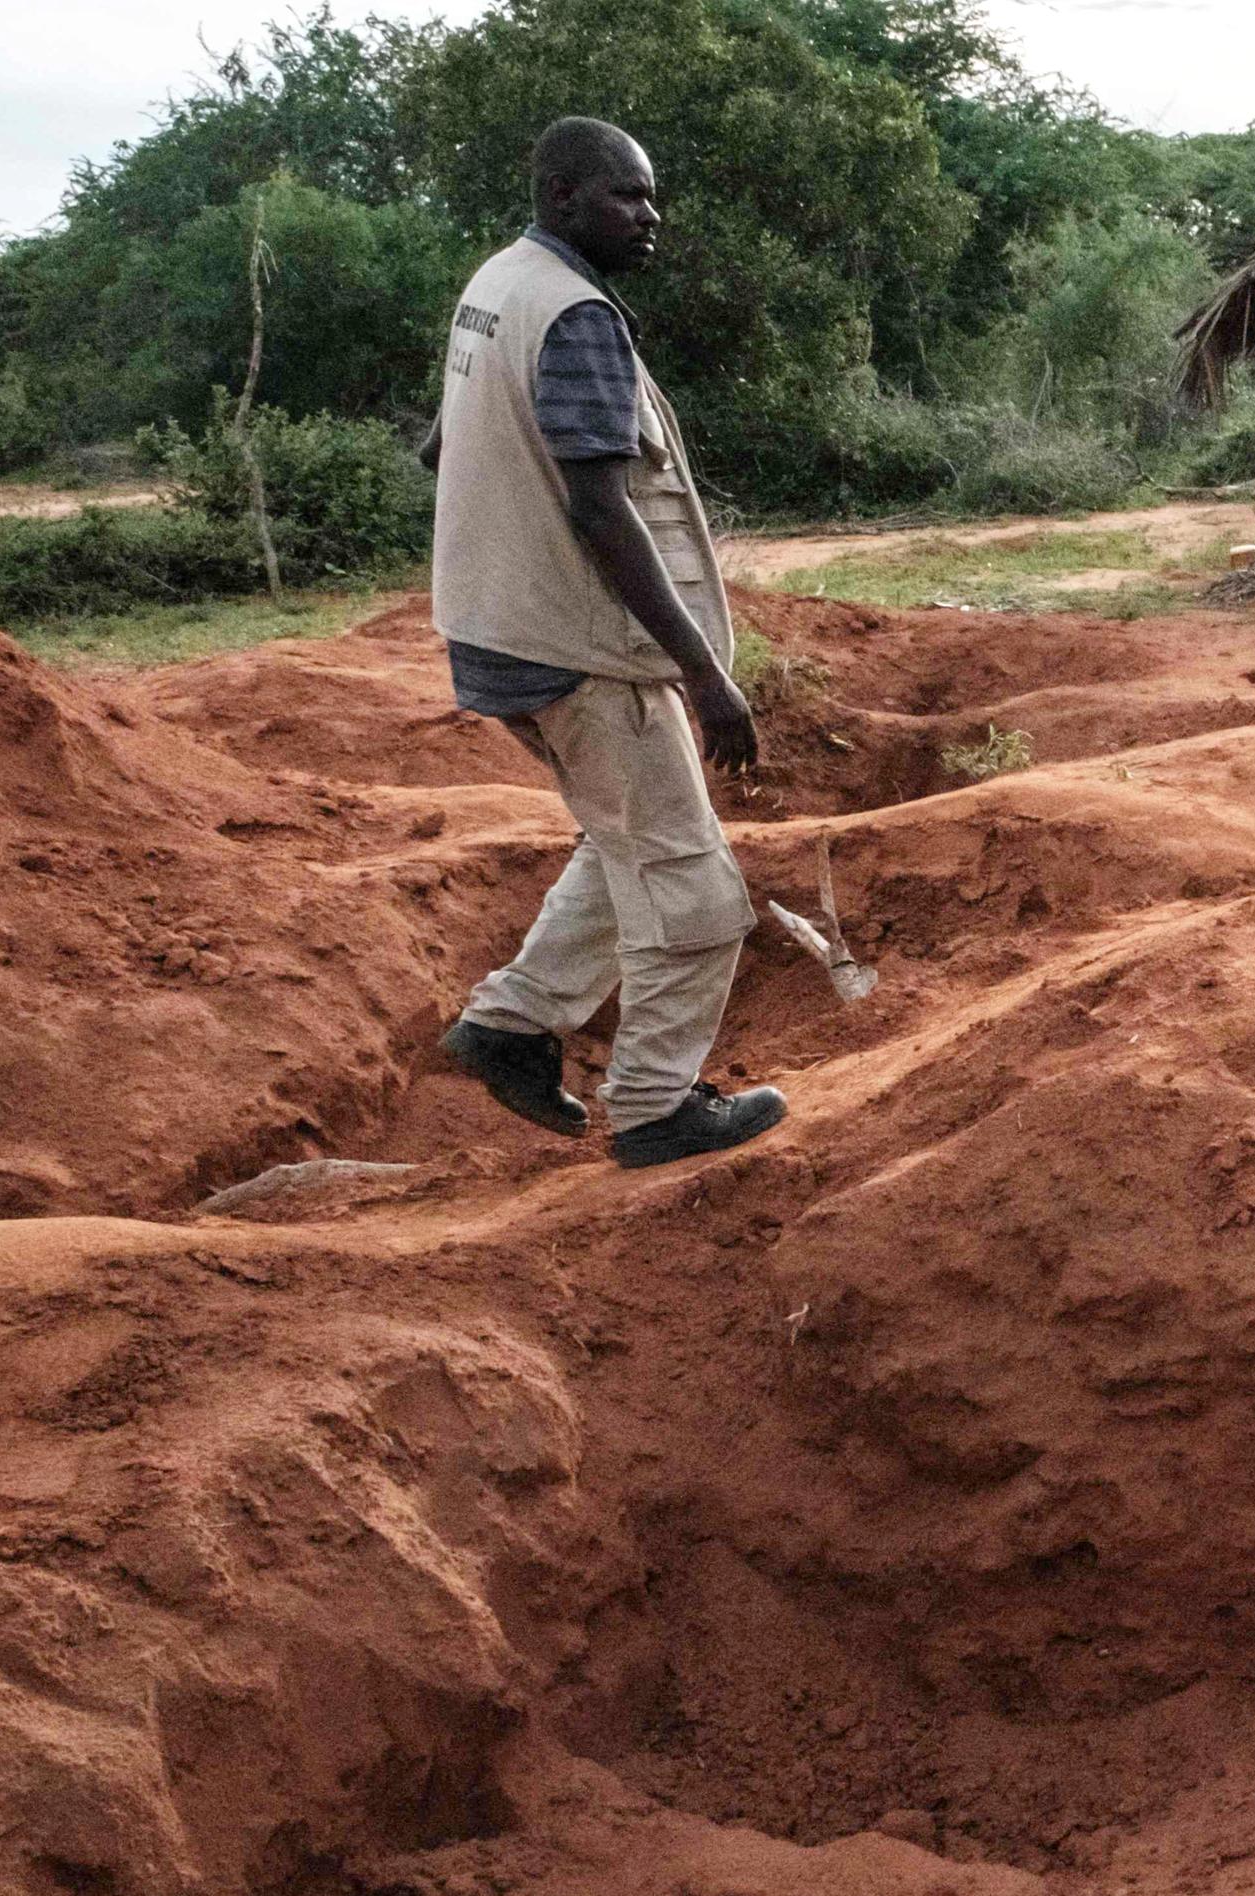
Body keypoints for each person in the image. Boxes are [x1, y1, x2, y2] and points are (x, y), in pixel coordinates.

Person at [424, 115, 785, 1168]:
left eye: (653, 196)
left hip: (495, 630)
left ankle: (510, 1025)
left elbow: (444, 440)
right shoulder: (576, 314)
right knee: (699, 895)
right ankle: (655, 1107)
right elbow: (599, 508)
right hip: (581, 648)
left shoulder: (499, 285)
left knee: (625, 839)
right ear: (563, 197)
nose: (650, 217)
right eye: (628, 196)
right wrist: (704, 676)